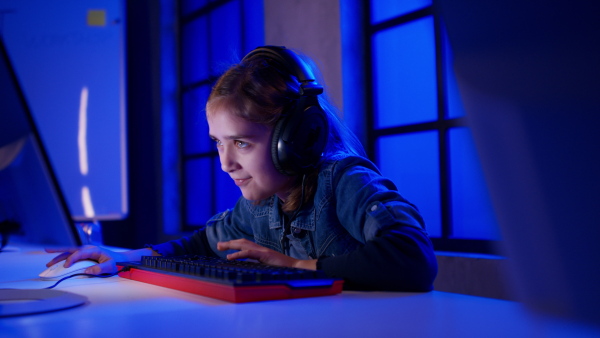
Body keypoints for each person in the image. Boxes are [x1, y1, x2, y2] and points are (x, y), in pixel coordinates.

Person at [46, 46, 437, 291]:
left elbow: (414, 258)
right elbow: (202, 244)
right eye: (218, 143)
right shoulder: (258, 205)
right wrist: (125, 257)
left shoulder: (345, 181)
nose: (226, 164)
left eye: (242, 143)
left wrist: (296, 265)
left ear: (297, 138)